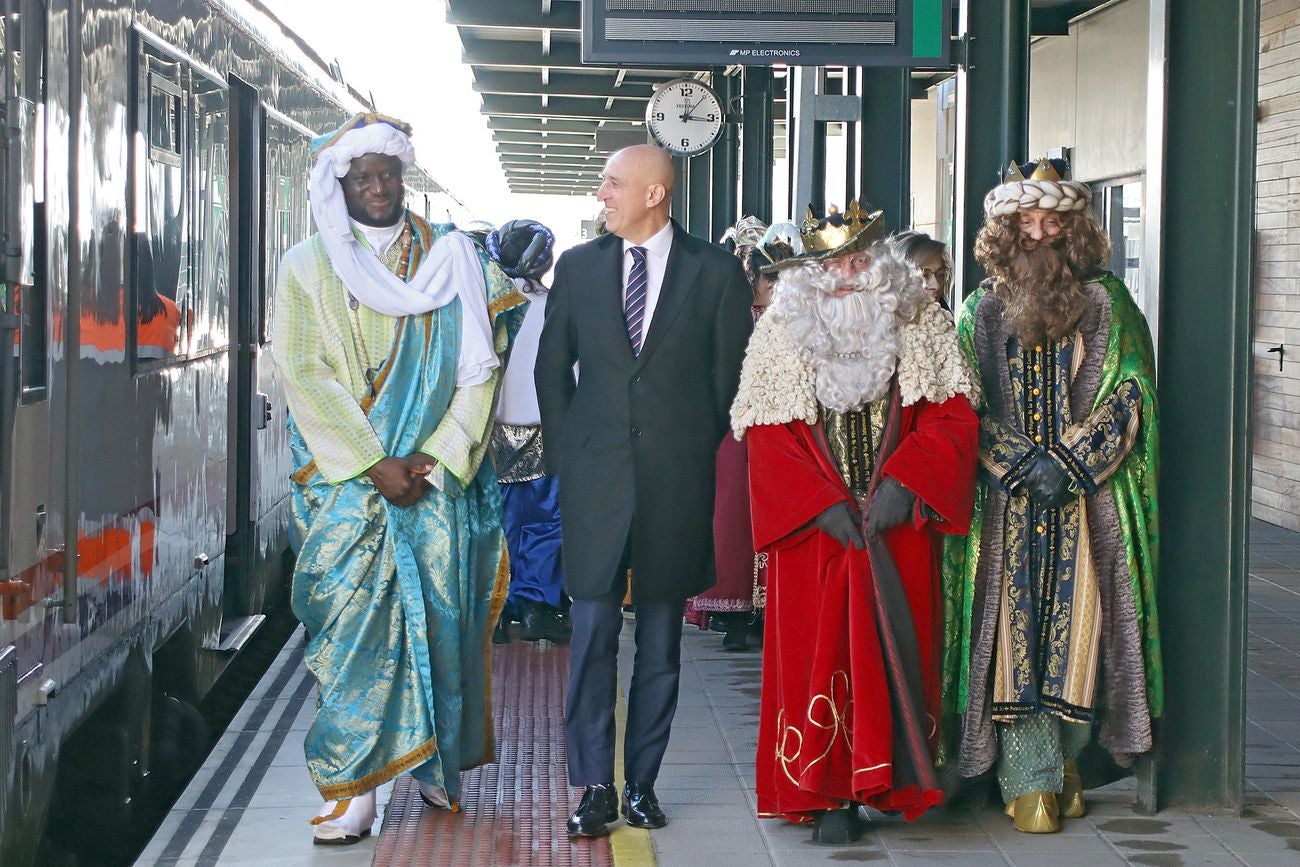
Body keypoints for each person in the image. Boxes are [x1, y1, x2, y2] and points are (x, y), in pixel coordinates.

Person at [272, 113, 526, 845]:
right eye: (363, 176)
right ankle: (356, 787)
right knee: (354, 634)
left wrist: (442, 453)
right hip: (349, 486)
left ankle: (428, 759)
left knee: (441, 626)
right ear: (339, 183)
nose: (379, 187)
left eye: (389, 173)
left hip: (435, 483)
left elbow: (486, 364)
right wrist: (372, 462)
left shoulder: (456, 257)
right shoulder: (305, 266)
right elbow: (305, 373)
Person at [732, 201, 979, 843]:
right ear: (808, 272)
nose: (847, 272)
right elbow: (765, 433)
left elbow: (953, 416)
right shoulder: (780, 332)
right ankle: (826, 795)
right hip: (815, 537)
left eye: (859, 258)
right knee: (818, 653)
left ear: (882, 263)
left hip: (898, 529)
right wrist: (818, 504)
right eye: (832, 263)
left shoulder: (923, 322)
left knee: (900, 646)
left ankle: (888, 782)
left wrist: (907, 483)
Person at [535, 144, 753, 837]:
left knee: (661, 642)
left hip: (674, 485)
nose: (603, 194)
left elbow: (729, 377)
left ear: (655, 193)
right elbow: (551, 369)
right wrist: (572, 452)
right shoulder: (578, 267)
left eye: (613, 184)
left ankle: (643, 785)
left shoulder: (715, 272)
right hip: (595, 482)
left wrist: (689, 447)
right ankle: (596, 785)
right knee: (594, 633)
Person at [946, 159, 1161, 833]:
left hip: (1085, 500)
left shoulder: (1109, 302)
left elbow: (1131, 391)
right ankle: (1028, 775)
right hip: (1002, 504)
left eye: (1052, 220)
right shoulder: (978, 309)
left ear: (1074, 227)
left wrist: (1069, 463)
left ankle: (1066, 764)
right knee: (1010, 636)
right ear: (1005, 230)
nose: (1039, 233)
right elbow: (959, 405)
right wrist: (1013, 461)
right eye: (1025, 221)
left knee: (1085, 634)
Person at [687, 218, 800, 651]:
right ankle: (734, 613)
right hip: (737, 432)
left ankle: (767, 613)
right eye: (770, 277)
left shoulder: (794, 324)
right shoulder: (734, 317)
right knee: (735, 522)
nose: (776, 286)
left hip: (783, 429)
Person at [485, 219, 571, 644]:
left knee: (495, 521)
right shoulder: (558, 305)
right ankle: (538, 605)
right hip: (545, 428)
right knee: (544, 521)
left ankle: (495, 609)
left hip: (489, 432)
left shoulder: (485, 304)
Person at [891, 230, 954, 311]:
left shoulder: (945, 318)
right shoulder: (877, 320)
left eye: (941, 275)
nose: (937, 286)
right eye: (924, 275)